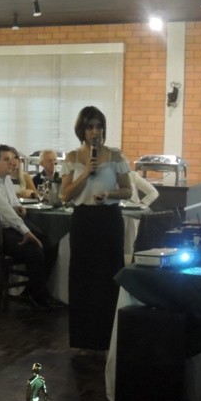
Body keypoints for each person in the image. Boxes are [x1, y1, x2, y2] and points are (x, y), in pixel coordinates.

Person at [60, 106, 132, 351]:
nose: (95, 131)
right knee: (83, 277)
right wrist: (85, 175)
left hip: (109, 219)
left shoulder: (115, 156)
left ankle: (107, 336)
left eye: (99, 126)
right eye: (90, 127)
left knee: (108, 275)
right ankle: (83, 337)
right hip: (84, 220)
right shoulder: (72, 158)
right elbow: (65, 195)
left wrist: (109, 193)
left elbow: (128, 191)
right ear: (82, 130)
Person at [0, 144, 59, 310]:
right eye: (6, 159)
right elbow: (4, 210)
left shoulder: (5, 179)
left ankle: (31, 292)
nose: (12, 162)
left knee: (50, 243)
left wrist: (18, 206)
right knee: (35, 250)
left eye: (12, 158)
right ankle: (39, 297)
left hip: (7, 227)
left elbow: (12, 203)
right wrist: (26, 231)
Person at [123, 170, 160, 259]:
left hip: (131, 218)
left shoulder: (132, 175)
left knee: (130, 247)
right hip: (115, 216)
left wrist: (141, 205)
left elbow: (153, 192)